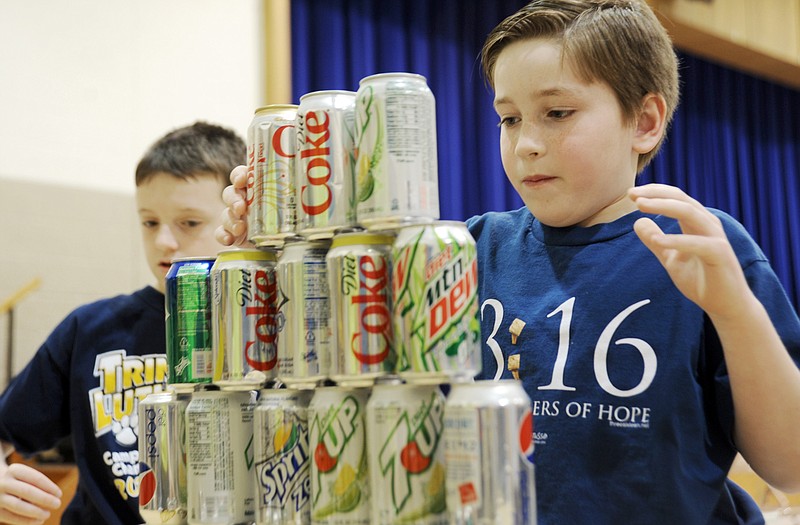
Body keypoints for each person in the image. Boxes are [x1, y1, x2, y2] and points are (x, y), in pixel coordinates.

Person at [215, 2, 800, 524]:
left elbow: (790, 467)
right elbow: (330, 368)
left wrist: (733, 309)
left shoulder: (706, 245)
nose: (525, 144)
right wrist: (269, 251)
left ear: (644, 122)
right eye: (509, 118)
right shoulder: (465, 249)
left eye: (558, 113)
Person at [0, 121, 245, 525]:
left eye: (189, 223)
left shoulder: (266, 326)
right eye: (150, 222)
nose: (164, 240)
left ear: (234, 217)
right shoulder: (89, 329)